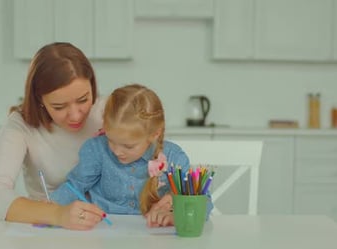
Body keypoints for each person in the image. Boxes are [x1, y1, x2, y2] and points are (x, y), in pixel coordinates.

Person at [0, 42, 108, 230]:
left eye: (83, 100)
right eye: (59, 106)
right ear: (39, 100)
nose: (75, 115)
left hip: (108, 229)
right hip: (48, 233)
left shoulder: (108, 112)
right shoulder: (21, 125)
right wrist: (57, 214)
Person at [50, 84, 214, 227]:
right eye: (110, 139)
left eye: (128, 145)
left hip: (155, 244)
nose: (116, 151)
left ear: (154, 134)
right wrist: (48, 209)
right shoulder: (97, 150)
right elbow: (74, 186)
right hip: (102, 236)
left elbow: (204, 203)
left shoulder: (174, 157)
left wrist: (176, 213)